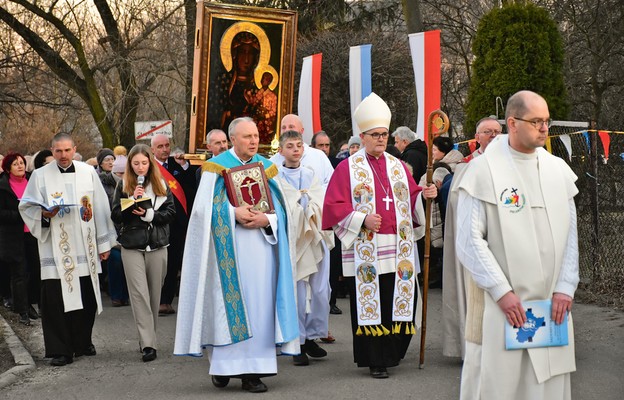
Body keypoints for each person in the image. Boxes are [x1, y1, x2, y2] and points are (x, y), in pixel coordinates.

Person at [455, 90, 579, 399]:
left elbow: (571, 234)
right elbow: (469, 241)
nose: (544, 128)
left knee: (546, 389)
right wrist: (502, 292)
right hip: (502, 308)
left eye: (546, 121)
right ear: (512, 122)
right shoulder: (483, 171)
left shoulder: (557, 170)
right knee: (499, 385)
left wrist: (565, 285)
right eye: (536, 121)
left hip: (552, 305)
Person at [174, 117, 299, 394]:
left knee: (260, 308)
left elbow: (285, 212)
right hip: (226, 255)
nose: (253, 141)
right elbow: (201, 214)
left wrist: (268, 221)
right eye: (247, 137)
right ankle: (222, 368)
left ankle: (254, 372)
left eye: (256, 136)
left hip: (263, 253)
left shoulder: (268, 168)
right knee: (226, 307)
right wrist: (233, 214)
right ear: (233, 140)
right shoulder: (215, 168)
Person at [322, 93, 437, 379]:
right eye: (375, 135)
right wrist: (361, 219)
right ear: (362, 136)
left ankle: (394, 351)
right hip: (367, 248)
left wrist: (425, 195)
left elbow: (409, 195)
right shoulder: (348, 167)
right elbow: (333, 205)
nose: (381, 139)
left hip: (398, 247)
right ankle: (376, 360)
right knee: (375, 304)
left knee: (398, 300)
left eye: (385, 134)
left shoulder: (397, 166)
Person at [19, 133, 117, 367]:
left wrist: (104, 244)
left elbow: (102, 208)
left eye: (67, 150)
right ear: (52, 151)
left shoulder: (87, 172)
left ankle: (82, 342)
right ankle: (60, 350)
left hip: (85, 247)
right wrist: (44, 213)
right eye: (58, 151)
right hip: (55, 247)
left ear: (74, 149)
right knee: (54, 301)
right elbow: (26, 206)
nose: (63, 155)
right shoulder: (40, 176)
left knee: (86, 299)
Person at [441, 116, 502, 359]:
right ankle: (475, 348)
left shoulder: (511, 164)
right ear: (476, 138)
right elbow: (456, 204)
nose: (494, 135)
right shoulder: (466, 166)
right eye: (488, 132)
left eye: (498, 131)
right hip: (478, 241)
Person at [112, 144, 176, 362]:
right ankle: (148, 344)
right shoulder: (123, 185)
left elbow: (170, 213)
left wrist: (150, 214)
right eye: (136, 163)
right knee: (139, 295)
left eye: (144, 163)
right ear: (130, 164)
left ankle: (149, 338)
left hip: (158, 246)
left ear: (150, 163)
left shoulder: (162, 184)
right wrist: (131, 201)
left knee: (154, 296)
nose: (140, 167)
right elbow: (116, 215)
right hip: (132, 247)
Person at [276, 130, 333, 366]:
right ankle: (296, 342)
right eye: (290, 146)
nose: (296, 150)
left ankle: (312, 335)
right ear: (281, 151)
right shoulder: (275, 176)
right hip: (294, 240)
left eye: (299, 145)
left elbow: (321, 199)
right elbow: (279, 205)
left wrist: (312, 208)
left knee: (320, 290)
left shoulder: (311, 174)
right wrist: (297, 207)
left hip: (314, 236)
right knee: (298, 292)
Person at [150, 134, 197, 315]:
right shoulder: (148, 166)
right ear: (153, 149)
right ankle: (154, 298)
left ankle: (166, 301)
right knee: (158, 263)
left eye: (167, 145)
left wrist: (184, 166)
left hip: (177, 223)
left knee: (173, 262)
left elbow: (189, 186)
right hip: (157, 222)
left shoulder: (177, 164)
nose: (164, 149)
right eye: (160, 146)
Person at [0, 153, 40, 325]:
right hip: (12, 236)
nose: (20, 166)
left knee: (36, 270)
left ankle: (30, 302)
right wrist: (20, 214)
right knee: (19, 273)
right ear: (8, 168)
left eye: (22, 163)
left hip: (33, 232)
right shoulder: (2, 186)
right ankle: (22, 311)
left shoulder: (33, 181)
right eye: (15, 164)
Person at [270, 114, 334, 188]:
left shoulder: (319, 156)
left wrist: (313, 195)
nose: (287, 130)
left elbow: (332, 183)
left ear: (302, 130)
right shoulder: (272, 163)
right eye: (283, 128)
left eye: (291, 127)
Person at [108, 156, 129, 307]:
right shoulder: (104, 184)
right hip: (112, 231)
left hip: (128, 231)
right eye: (118, 173)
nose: (121, 176)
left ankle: (126, 295)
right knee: (115, 260)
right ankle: (116, 295)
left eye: (124, 173)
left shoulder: (131, 184)